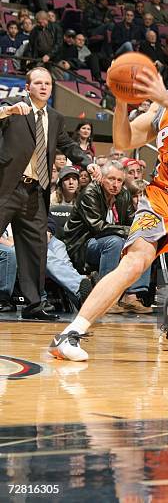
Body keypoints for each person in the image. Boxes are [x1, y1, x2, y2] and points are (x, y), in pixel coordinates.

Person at [49, 33, 168, 360]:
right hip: (161, 196)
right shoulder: (165, 102)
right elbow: (124, 139)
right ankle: (71, 333)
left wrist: (162, 99)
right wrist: (122, 101)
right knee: (135, 261)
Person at [0, 67, 101, 320]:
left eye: (47, 83)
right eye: (38, 83)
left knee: (36, 247)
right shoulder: (13, 106)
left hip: (35, 191)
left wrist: (86, 161)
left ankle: (34, 306)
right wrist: (7, 112)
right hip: (6, 187)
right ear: (27, 87)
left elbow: (66, 145)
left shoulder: (54, 117)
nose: (44, 87)